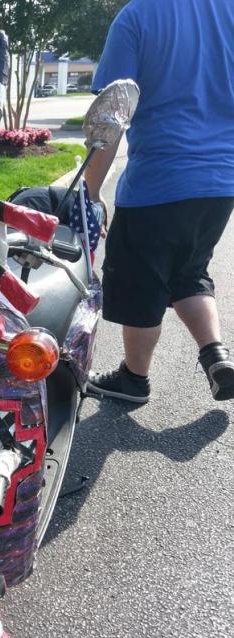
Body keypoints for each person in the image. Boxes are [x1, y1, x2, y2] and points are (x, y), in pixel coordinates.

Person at [84, 0, 234, 403]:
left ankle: (134, 379)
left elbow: (112, 114)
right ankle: (216, 356)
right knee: (189, 272)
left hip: (158, 183)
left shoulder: (138, 16)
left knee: (142, 287)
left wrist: (91, 193)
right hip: (221, 183)